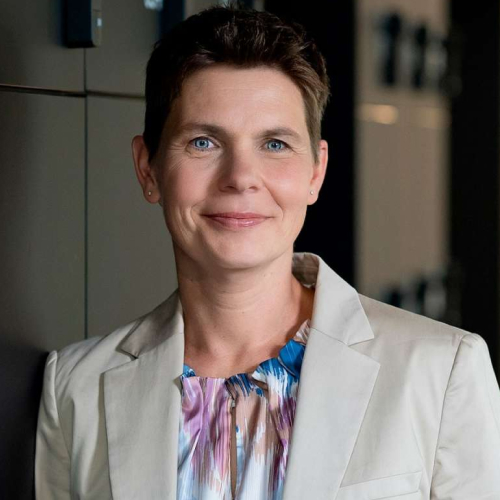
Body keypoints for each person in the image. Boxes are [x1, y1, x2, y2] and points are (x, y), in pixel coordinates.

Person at [35, 5, 500, 500]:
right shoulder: (75, 390)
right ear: (147, 169)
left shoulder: (441, 372)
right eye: (203, 142)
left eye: (275, 144)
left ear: (316, 172)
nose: (240, 178)